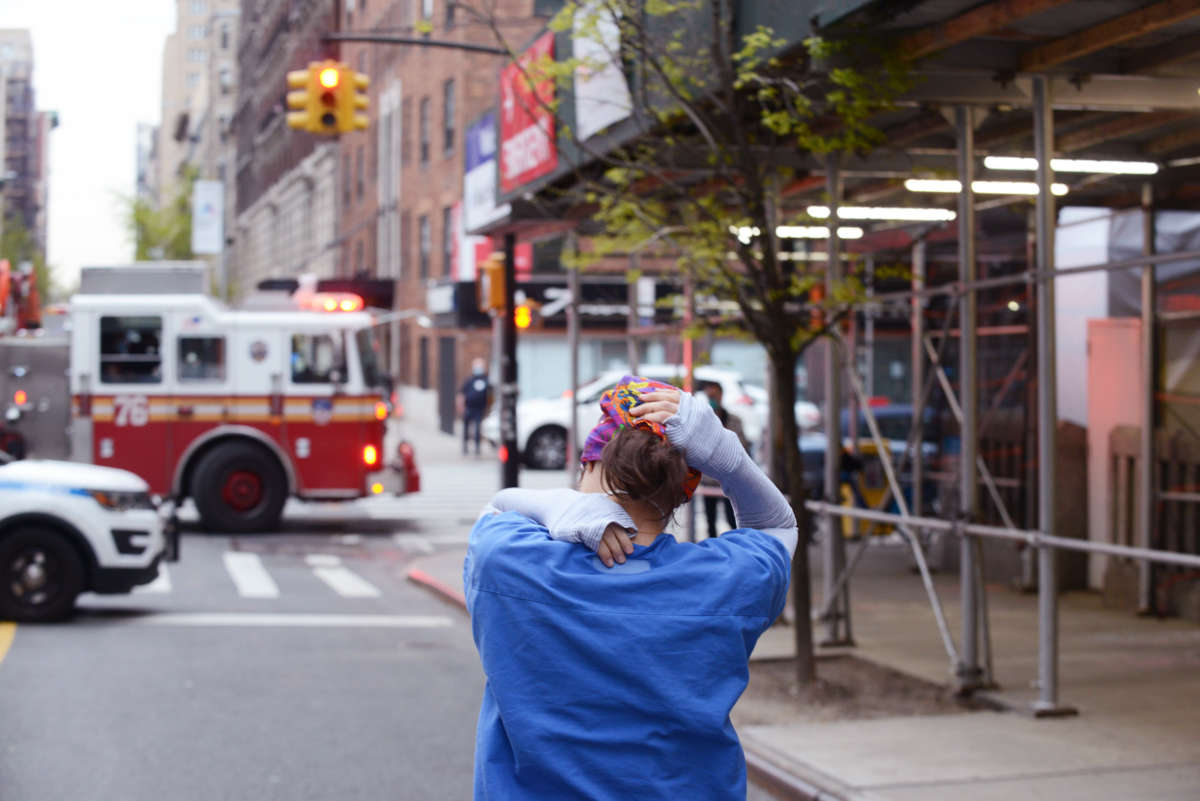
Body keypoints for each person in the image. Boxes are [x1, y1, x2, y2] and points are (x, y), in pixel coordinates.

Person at [465, 375, 796, 801]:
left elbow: (496, 507)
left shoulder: (509, 561)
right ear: (679, 497)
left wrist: (560, 505)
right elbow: (777, 526)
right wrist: (727, 456)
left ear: (586, 465)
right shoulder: (723, 581)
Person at [698, 381, 746, 539]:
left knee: (732, 520)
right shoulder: (703, 421)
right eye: (709, 396)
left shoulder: (733, 421)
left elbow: (740, 446)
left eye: (714, 395)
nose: (712, 399)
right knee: (710, 523)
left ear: (721, 395)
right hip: (709, 481)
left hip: (728, 481)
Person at [457, 358, 490, 456]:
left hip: (479, 408)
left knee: (477, 429)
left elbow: (489, 395)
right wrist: (461, 406)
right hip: (469, 407)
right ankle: (465, 447)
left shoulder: (486, 380)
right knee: (466, 428)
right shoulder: (469, 380)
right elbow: (461, 394)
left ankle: (477, 448)